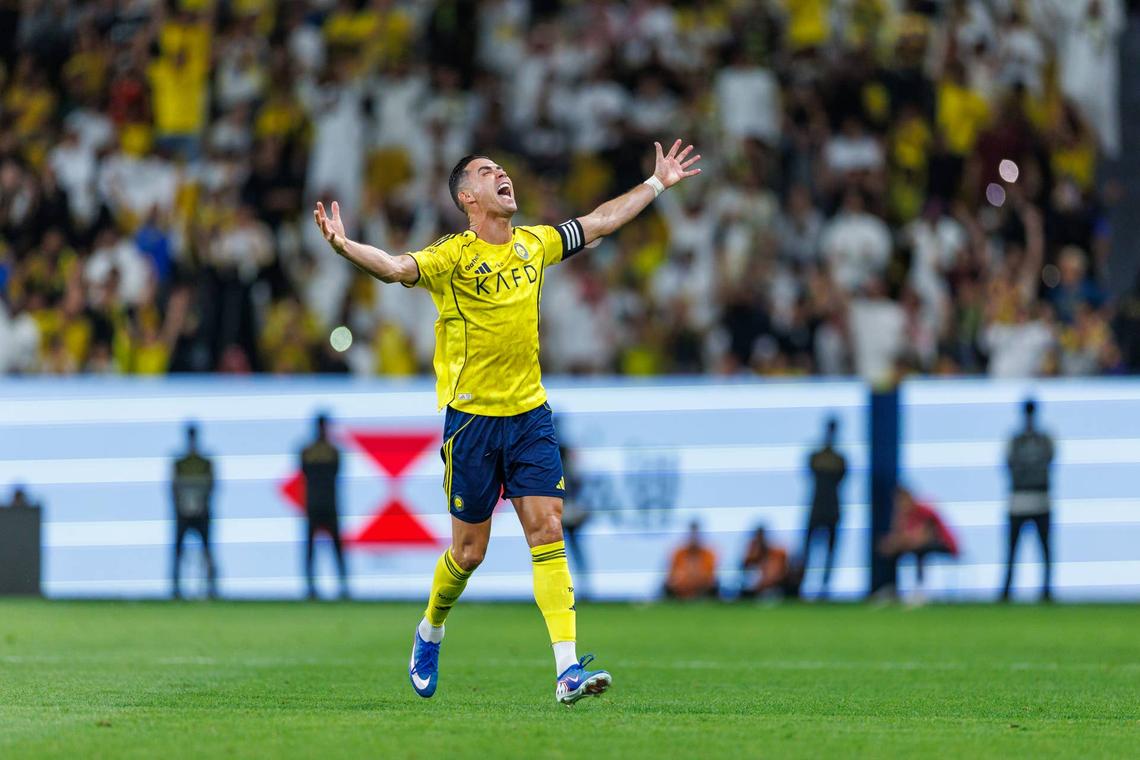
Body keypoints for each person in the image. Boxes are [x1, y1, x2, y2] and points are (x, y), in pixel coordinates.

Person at [314, 139, 702, 704]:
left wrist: (657, 183)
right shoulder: (452, 256)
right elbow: (397, 267)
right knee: (469, 553)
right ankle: (430, 630)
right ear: (467, 197)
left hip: (530, 416)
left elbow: (599, 223)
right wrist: (346, 246)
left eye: (503, 168)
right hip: (471, 422)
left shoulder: (534, 245)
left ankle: (567, 669)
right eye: (487, 171)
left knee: (547, 529)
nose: (503, 174)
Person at [1002, 399, 1055, 602]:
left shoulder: (1040, 440)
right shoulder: (1020, 440)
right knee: (1014, 551)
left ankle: (1046, 590)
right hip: (1021, 500)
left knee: (1043, 550)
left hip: (1037, 500)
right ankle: (1007, 591)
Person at [877, 487, 958, 598]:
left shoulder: (925, 511)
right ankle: (890, 587)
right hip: (916, 544)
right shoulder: (901, 514)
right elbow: (899, 536)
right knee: (891, 552)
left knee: (920, 551)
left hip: (943, 544)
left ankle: (920, 589)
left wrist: (898, 543)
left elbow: (924, 538)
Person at [300, 413, 349, 600]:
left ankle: (342, 586)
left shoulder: (311, 451)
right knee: (313, 549)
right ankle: (311, 587)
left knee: (335, 548)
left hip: (324, 504)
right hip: (318, 505)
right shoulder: (329, 451)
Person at [171, 423, 216, 599]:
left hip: (201, 513)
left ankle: (211, 587)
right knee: (178, 552)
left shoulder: (204, 463)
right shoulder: (180, 463)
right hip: (184, 514)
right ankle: (176, 588)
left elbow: (211, 485)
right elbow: (174, 487)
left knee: (206, 551)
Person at [802, 417, 846, 598]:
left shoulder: (839, 458)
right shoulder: (816, 456)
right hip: (817, 507)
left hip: (832, 508)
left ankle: (824, 587)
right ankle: (802, 585)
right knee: (807, 550)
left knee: (830, 551)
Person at [740, 526, 801, 599]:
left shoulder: (777, 553)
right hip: (757, 590)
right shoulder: (751, 554)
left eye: (761, 536)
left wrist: (764, 584)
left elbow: (779, 574)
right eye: (757, 536)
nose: (759, 539)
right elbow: (745, 572)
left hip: (775, 588)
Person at [664, 521, 719, 600]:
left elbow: (710, 576)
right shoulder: (679, 553)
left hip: (702, 586)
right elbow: (672, 575)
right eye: (692, 535)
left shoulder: (708, 553)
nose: (694, 538)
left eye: (696, 535)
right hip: (682, 586)